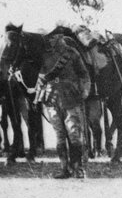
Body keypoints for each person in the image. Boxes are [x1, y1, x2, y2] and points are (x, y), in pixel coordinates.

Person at [36, 35, 90, 179]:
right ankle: (64, 168)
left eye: (54, 37)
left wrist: (85, 90)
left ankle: (78, 168)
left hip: (71, 97)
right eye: (50, 38)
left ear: (60, 37)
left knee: (74, 134)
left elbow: (84, 74)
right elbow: (40, 75)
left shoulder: (72, 53)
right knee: (59, 135)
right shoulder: (44, 54)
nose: (51, 40)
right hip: (52, 98)